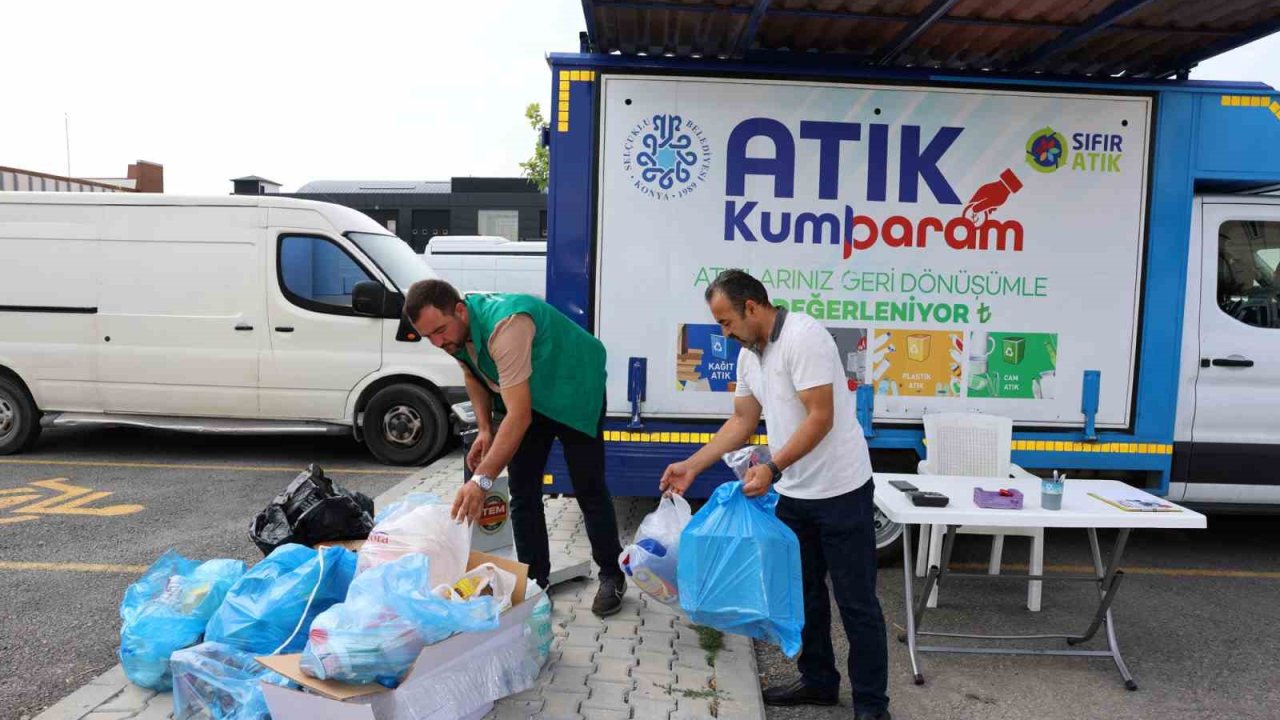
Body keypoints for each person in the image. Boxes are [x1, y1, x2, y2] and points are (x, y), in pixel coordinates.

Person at [659, 270, 890, 719]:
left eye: (726, 322)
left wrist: (772, 467)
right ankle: (820, 682)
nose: (724, 334)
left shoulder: (804, 338)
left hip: (841, 490)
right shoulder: (750, 355)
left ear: (751, 307)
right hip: (795, 495)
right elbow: (742, 422)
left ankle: (871, 706)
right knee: (803, 595)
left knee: (857, 602)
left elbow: (820, 417)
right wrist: (693, 465)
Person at [405, 279, 626, 616]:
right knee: (523, 492)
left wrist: (481, 480)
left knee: (588, 487)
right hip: (529, 396)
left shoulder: (505, 326)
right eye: (428, 337)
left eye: (439, 331)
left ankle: (612, 573)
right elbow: (472, 373)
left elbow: (518, 417)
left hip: (573, 388)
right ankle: (536, 581)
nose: (437, 342)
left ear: (460, 311)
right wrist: (484, 429)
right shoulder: (456, 333)